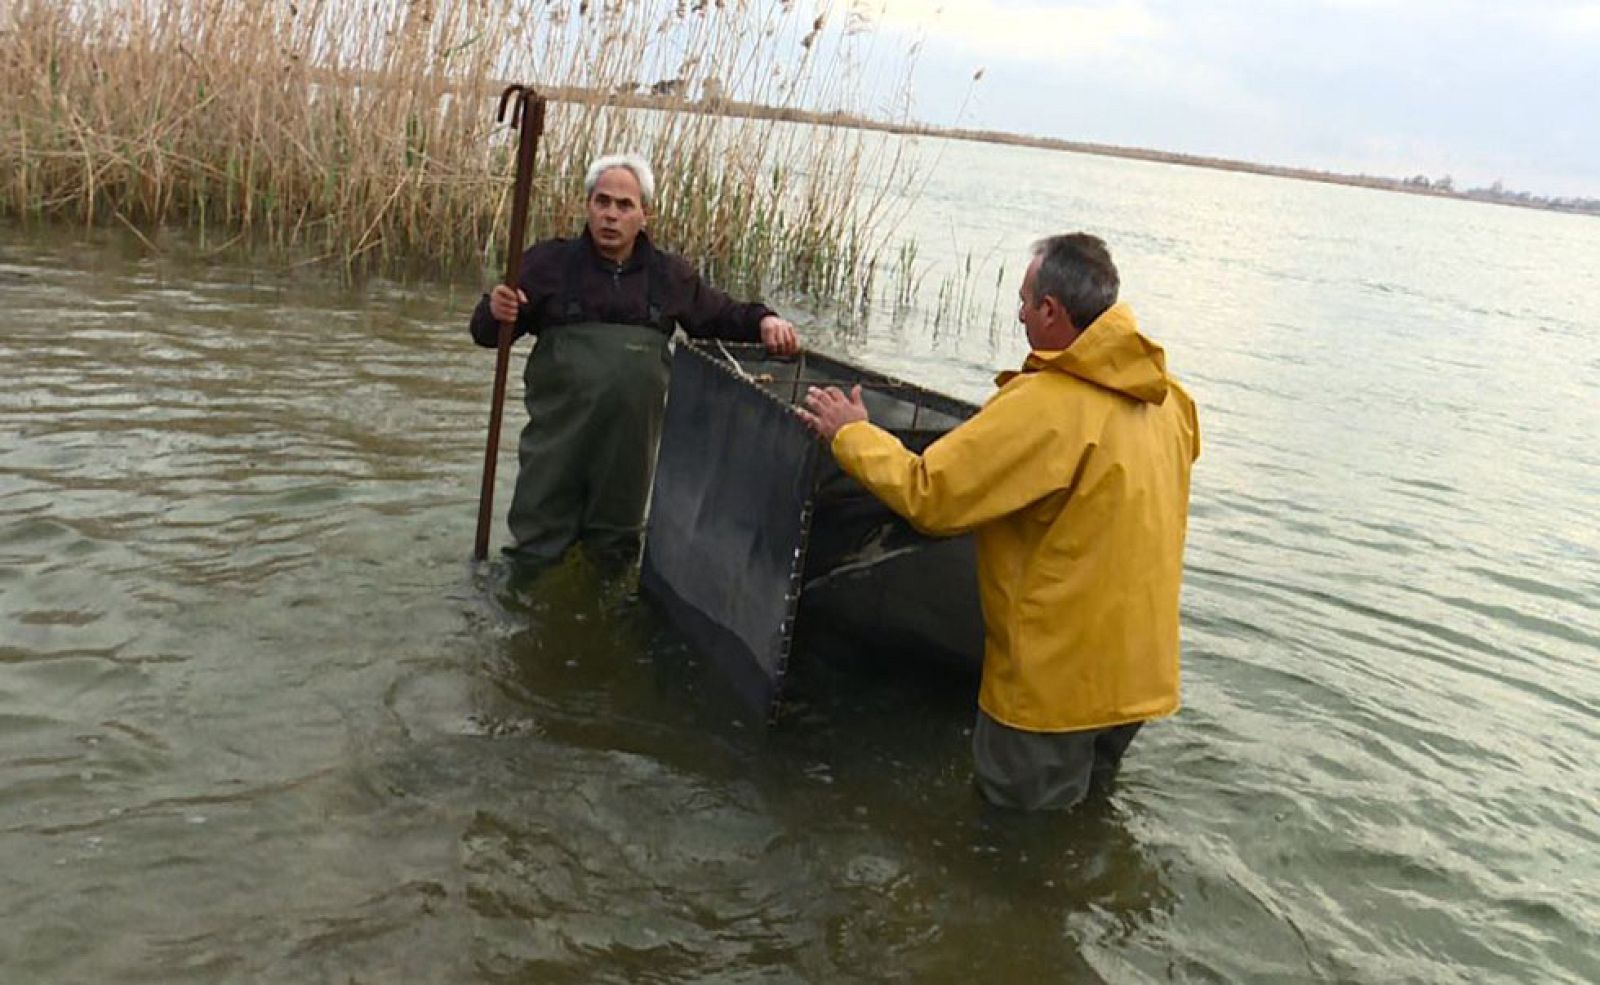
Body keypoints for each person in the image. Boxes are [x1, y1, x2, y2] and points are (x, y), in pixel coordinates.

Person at [796, 233, 1199, 810]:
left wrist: (851, 433)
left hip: (1051, 693)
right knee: (1086, 821)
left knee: (1016, 842)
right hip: (1137, 680)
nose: (1020, 316)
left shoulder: (1044, 406)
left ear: (1052, 311)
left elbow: (930, 495)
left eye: (1024, 303)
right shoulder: (1172, 400)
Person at [470, 152, 800, 569]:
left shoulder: (669, 276)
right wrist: (494, 310)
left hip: (627, 454)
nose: (611, 215)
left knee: (615, 553)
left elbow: (721, 316)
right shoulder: (547, 265)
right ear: (587, 207)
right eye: (602, 202)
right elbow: (487, 335)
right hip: (556, 447)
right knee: (534, 549)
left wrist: (765, 321)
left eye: (624, 206)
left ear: (644, 214)